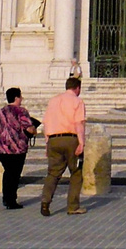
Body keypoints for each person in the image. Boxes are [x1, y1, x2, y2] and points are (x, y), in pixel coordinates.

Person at [39, 76, 87, 216]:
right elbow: (79, 123)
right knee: (76, 173)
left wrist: (47, 142)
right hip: (71, 139)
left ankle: (45, 201)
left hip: (54, 139)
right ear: (77, 88)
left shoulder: (53, 101)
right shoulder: (77, 101)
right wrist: (81, 143)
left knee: (53, 173)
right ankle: (73, 206)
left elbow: (46, 123)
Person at [0, 87, 35, 209]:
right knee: (14, 174)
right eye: (20, 96)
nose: (22, 98)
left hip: (2, 148)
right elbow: (28, 127)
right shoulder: (21, 112)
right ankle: (11, 199)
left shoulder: (0, 112)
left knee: (8, 172)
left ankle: (7, 198)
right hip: (17, 148)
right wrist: (34, 130)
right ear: (16, 98)